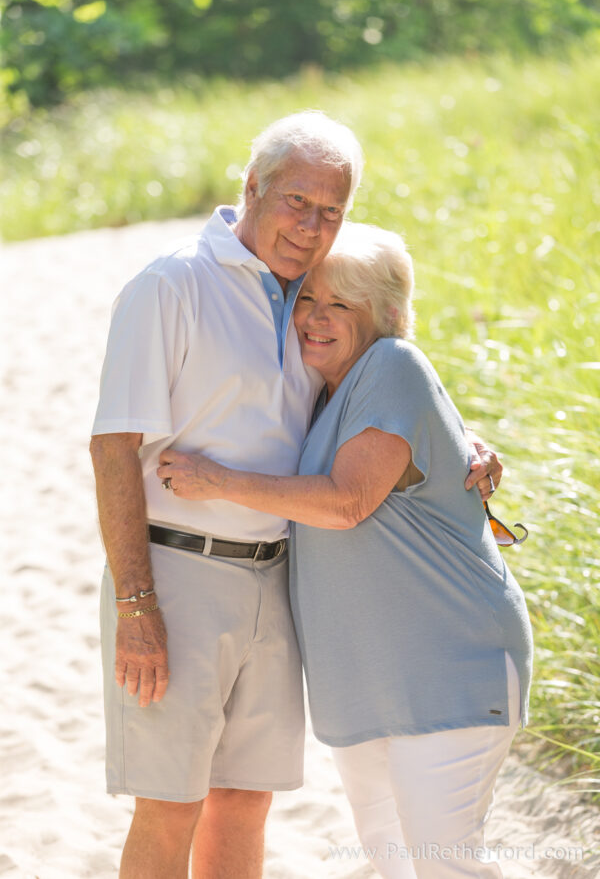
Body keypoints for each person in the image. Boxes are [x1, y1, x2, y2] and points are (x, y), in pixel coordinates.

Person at [90, 111, 502, 879]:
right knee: (170, 802)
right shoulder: (171, 284)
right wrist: (136, 604)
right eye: (296, 203)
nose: (311, 227)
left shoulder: (308, 297)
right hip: (176, 575)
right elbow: (112, 446)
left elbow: (375, 385)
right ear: (252, 188)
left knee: (245, 800)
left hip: (278, 578)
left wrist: (459, 437)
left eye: (331, 212)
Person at [158, 221, 533, 879]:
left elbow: (345, 501)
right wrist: (460, 435)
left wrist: (215, 482)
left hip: (451, 670)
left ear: (387, 316)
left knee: (448, 868)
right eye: (308, 299)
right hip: (367, 689)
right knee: (400, 869)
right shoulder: (319, 392)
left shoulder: (390, 364)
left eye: (342, 305)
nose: (316, 319)